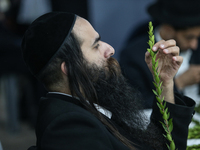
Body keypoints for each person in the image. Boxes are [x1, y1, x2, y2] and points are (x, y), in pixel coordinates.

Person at [21, 12, 195, 150]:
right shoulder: (68, 128)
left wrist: (165, 83)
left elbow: (157, 147)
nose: (110, 49)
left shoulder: (87, 101)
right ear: (69, 68)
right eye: (96, 45)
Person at [120, 0, 200, 108]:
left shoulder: (197, 47)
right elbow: (137, 105)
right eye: (189, 37)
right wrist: (179, 83)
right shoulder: (133, 57)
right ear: (168, 29)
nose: (194, 45)